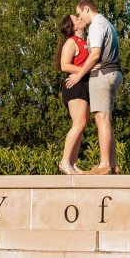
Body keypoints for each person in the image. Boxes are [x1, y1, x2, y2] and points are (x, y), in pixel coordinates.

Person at [65, 0, 122, 175]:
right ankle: (112, 165)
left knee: (101, 119)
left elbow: (95, 54)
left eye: (80, 12)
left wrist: (79, 75)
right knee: (106, 120)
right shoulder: (107, 23)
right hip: (114, 73)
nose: (80, 17)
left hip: (103, 75)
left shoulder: (97, 25)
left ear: (87, 9)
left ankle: (104, 164)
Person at [57, 14, 91, 175]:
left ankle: (73, 162)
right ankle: (64, 162)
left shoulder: (85, 41)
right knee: (78, 124)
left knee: (82, 125)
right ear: (73, 26)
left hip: (85, 84)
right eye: (76, 18)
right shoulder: (71, 42)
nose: (80, 18)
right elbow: (64, 65)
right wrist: (88, 69)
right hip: (74, 85)